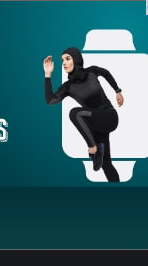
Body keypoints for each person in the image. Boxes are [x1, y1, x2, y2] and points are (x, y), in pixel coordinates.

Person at [44, 47, 125, 182]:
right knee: (106, 165)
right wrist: (47, 74)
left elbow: (106, 73)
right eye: (62, 60)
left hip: (109, 116)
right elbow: (50, 100)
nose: (64, 63)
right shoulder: (68, 86)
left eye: (67, 59)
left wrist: (117, 91)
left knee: (75, 113)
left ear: (76, 60)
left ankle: (93, 149)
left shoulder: (91, 71)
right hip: (96, 126)